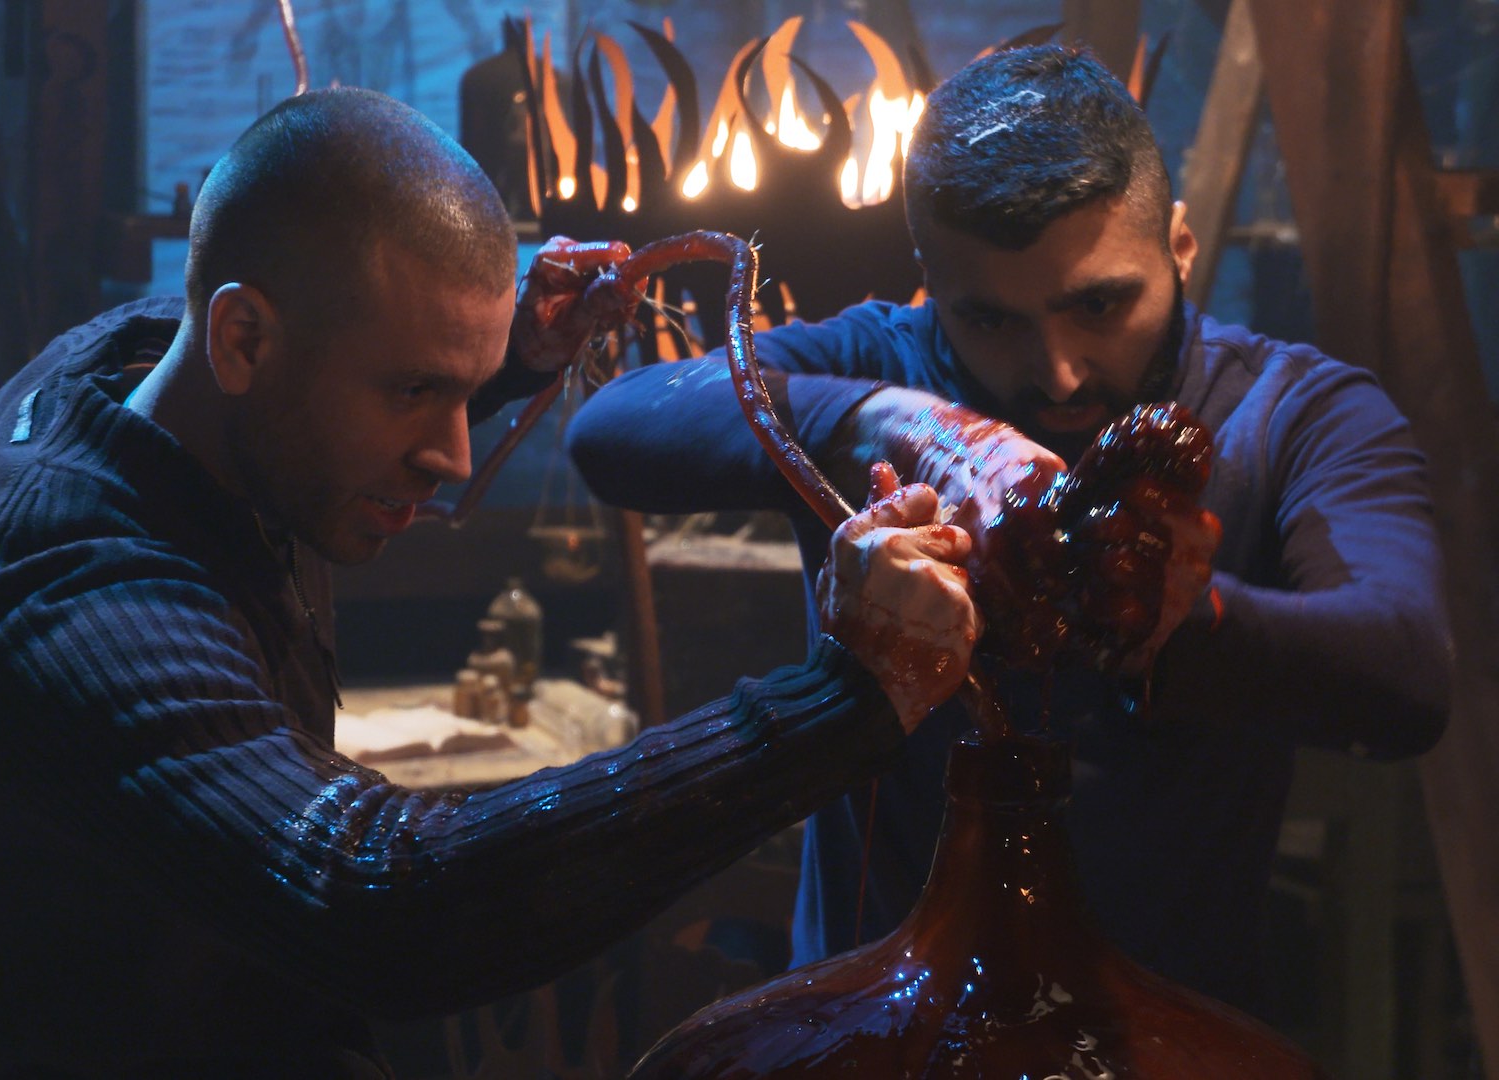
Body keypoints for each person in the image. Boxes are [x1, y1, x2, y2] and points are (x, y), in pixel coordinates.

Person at [0, 88, 983, 1079]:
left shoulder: (142, 375)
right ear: (241, 339)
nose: (456, 457)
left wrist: (512, 356)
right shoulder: (68, 591)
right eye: (414, 390)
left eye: (463, 392)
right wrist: (839, 701)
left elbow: (316, 360)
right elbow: (383, 905)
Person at [567, 43, 1452, 1018]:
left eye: (1100, 304)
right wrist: (888, 420)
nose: (1057, 372)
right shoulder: (881, 362)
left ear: (1181, 248)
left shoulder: (1295, 410)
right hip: (874, 1031)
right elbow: (611, 428)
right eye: (991, 321)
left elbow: (1407, 673)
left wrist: (1188, 621)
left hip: (1157, 1036)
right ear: (931, 281)